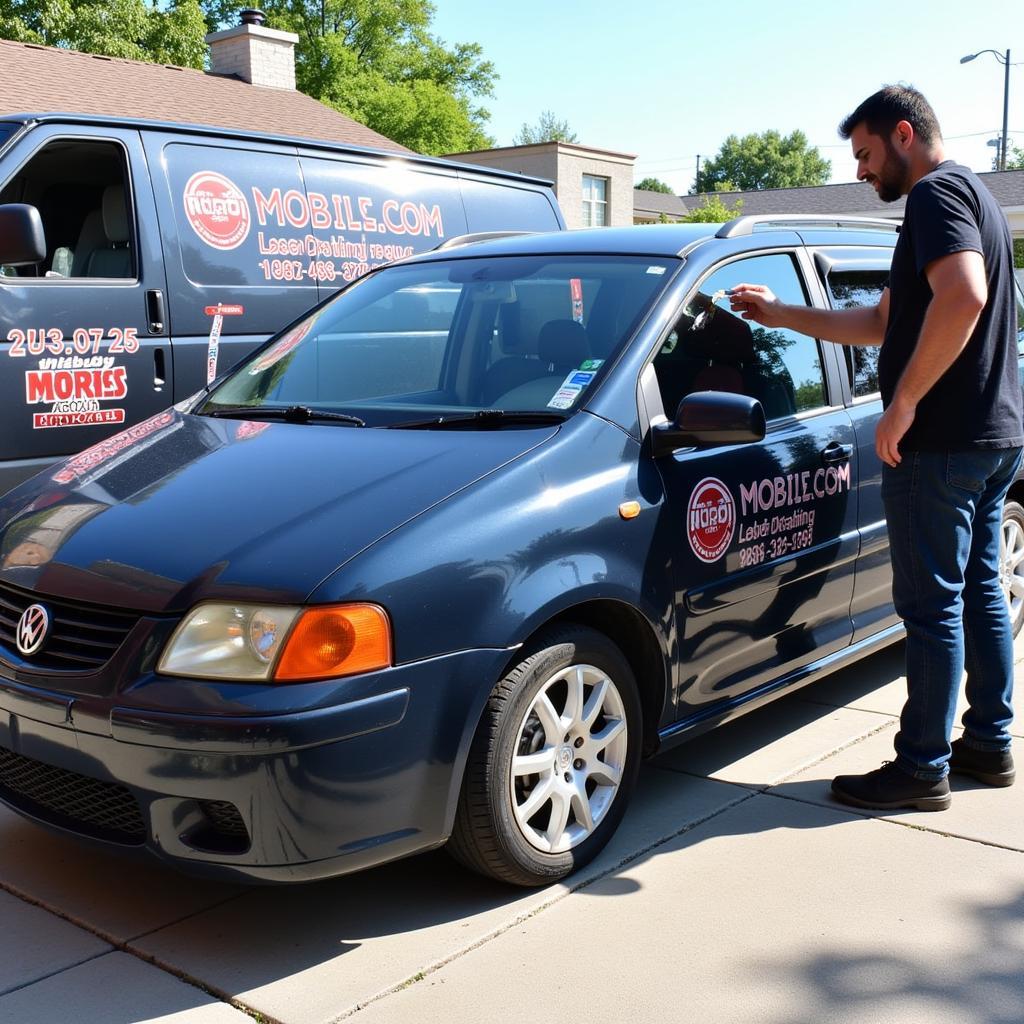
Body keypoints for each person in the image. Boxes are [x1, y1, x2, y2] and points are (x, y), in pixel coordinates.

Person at [729, 85, 1023, 811]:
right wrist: (780, 314)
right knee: (978, 590)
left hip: (941, 444)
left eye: (863, 154)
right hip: (991, 438)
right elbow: (881, 322)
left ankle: (921, 768)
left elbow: (966, 294)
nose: (860, 171)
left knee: (930, 609)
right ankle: (988, 744)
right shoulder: (972, 197)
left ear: (902, 134)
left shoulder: (933, 196)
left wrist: (904, 404)